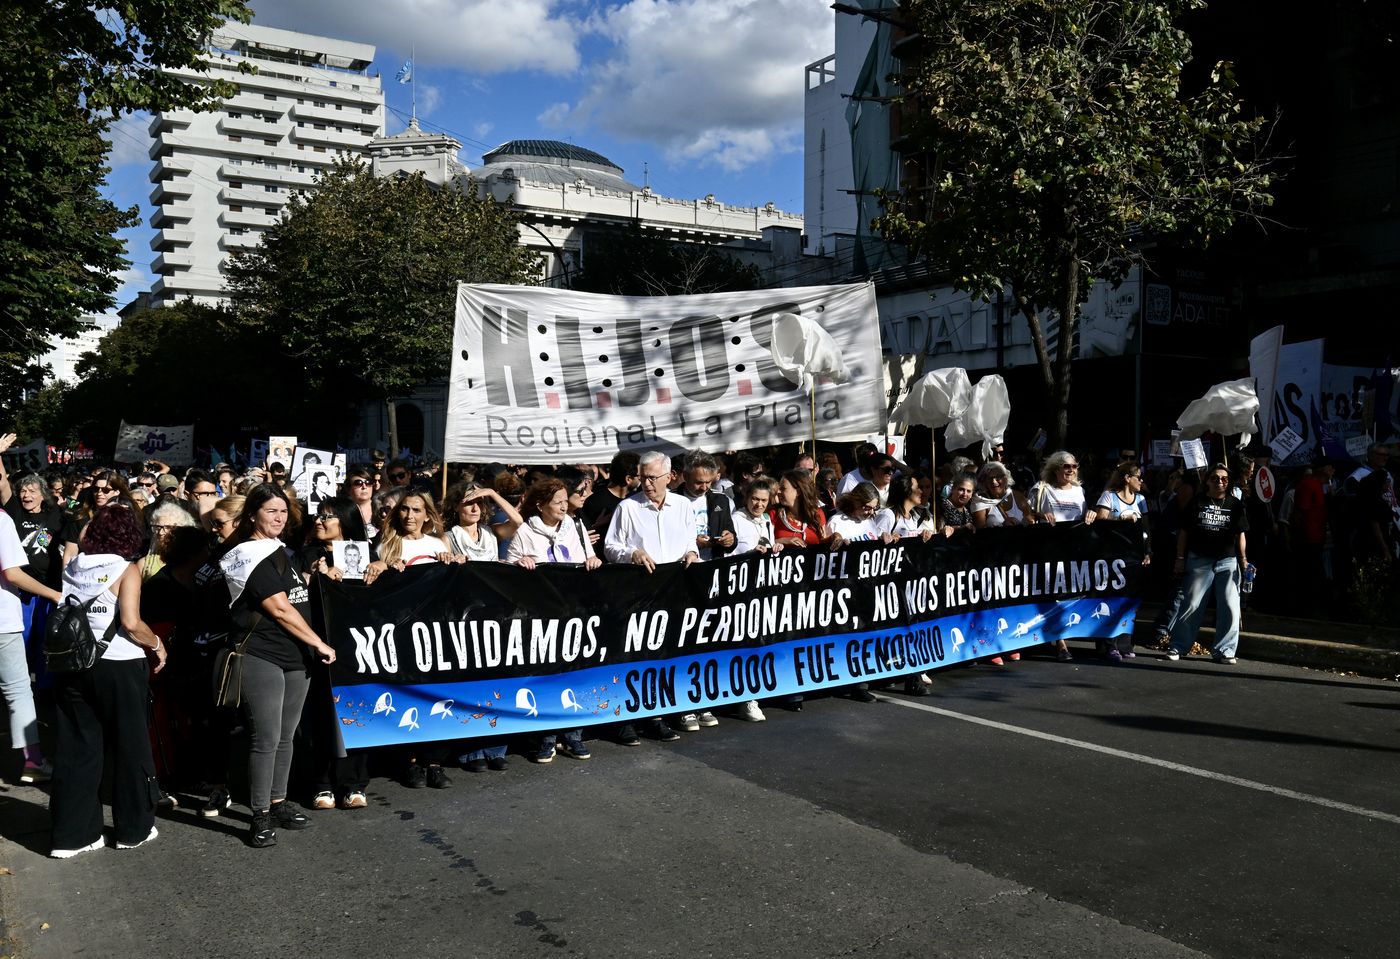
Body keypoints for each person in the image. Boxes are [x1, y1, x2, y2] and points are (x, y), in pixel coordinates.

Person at [219, 484, 337, 847]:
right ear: (252, 514)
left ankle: (278, 801)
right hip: (261, 654)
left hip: (295, 657)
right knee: (266, 738)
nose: (279, 517)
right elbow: (280, 609)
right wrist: (317, 642)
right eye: (270, 511)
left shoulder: (282, 550)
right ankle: (259, 815)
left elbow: (297, 596)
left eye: (283, 511)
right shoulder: (246, 555)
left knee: (286, 736)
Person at [49, 506, 166, 858]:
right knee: (131, 747)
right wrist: (157, 644)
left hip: (74, 663)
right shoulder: (126, 569)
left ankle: (72, 837)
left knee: (77, 749)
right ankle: (133, 829)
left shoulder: (74, 566)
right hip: (119, 665)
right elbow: (131, 622)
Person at [603, 451, 697, 744]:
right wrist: (632, 553)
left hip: (674, 593)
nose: (646, 483)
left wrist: (692, 552)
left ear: (669, 477)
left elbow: (690, 541)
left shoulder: (683, 506)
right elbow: (610, 547)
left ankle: (658, 715)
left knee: (665, 654)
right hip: (638, 594)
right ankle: (626, 720)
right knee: (635, 655)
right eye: (642, 477)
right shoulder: (628, 508)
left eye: (652, 478)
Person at [508, 479, 600, 762]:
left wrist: (593, 561)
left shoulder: (576, 527)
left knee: (575, 672)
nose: (563, 506)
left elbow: (591, 558)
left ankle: (573, 735)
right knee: (548, 676)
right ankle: (546, 737)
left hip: (573, 612)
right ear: (540, 505)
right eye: (557, 501)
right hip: (542, 616)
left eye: (564, 500)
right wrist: (518, 564)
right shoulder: (525, 531)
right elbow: (506, 573)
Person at [300, 497, 372, 811]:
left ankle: (353, 783)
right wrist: (316, 576)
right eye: (318, 515)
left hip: (355, 646)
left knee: (356, 711)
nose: (319, 521)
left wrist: (383, 567)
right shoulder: (307, 554)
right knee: (319, 714)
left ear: (346, 521)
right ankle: (321, 784)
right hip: (318, 645)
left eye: (328, 516)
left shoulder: (367, 552)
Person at [1, 508, 63, 785]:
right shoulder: (2, 520)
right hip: (2, 621)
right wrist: (53, 593)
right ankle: (33, 762)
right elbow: (13, 574)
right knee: (18, 690)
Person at [1164, 463, 1249, 664]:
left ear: (1229, 482)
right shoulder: (1197, 502)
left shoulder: (1235, 505)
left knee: (1230, 606)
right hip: (1199, 559)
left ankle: (1225, 651)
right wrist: (1180, 558)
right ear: (1207, 481)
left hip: (1227, 560)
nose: (1220, 481)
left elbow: (1241, 534)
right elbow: (1184, 532)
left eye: (1224, 479)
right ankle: (1178, 646)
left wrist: (1243, 559)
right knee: (1192, 604)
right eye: (1215, 478)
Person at [1093, 462, 1152, 661]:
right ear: (1127, 478)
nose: (1141, 481)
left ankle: (1125, 643)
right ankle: (1108, 645)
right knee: (1111, 601)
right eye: (1138, 477)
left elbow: (1146, 529)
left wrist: (1147, 551)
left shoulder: (1141, 500)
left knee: (1129, 602)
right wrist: (1122, 522)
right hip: (1111, 557)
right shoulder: (1109, 496)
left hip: (1133, 558)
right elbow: (1100, 523)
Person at [579, 451, 640, 558]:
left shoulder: (637, 499)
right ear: (628, 479)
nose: (643, 480)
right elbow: (585, 535)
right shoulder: (595, 501)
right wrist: (596, 526)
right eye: (640, 476)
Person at [1029, 451, 1096, 525]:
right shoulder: (1042, 488)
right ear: (1055, 470)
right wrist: (1041, 515)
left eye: (1074, 466)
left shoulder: (1080, 490)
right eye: (1067, 466)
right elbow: (1027, 514)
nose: (1071, 470)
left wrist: (1091, 513)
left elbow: (1084, 517)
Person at [770, 469, 828, 547]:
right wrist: (783, 541)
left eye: (783, 488)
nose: (778, 492)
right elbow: (764, 544)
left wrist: (834, 537)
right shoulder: (774, 514)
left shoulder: (816, 513)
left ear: (798, 492)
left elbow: (822, 542)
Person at [827, 483, 898, 546]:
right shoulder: (836, 522)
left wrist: (882, 537)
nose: (871, 512)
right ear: (855, 502)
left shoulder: (868, 520)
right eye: (867, 508)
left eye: (875, 508)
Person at [971, 462, 1032, 529]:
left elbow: (1030, 521)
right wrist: (1002, 526)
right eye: (990, 478)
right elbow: (979, 531)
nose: (994, 481)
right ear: (985, 481)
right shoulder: (980, 501)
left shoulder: (1018, 496)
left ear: (1005, 478)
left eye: (998, 477)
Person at [885, 474, 935, 540]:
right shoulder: (888, 515)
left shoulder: (912, 518)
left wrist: (921, 536)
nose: (921, 491)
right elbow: (874, 541)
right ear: (907, 491)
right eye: (917, 488)